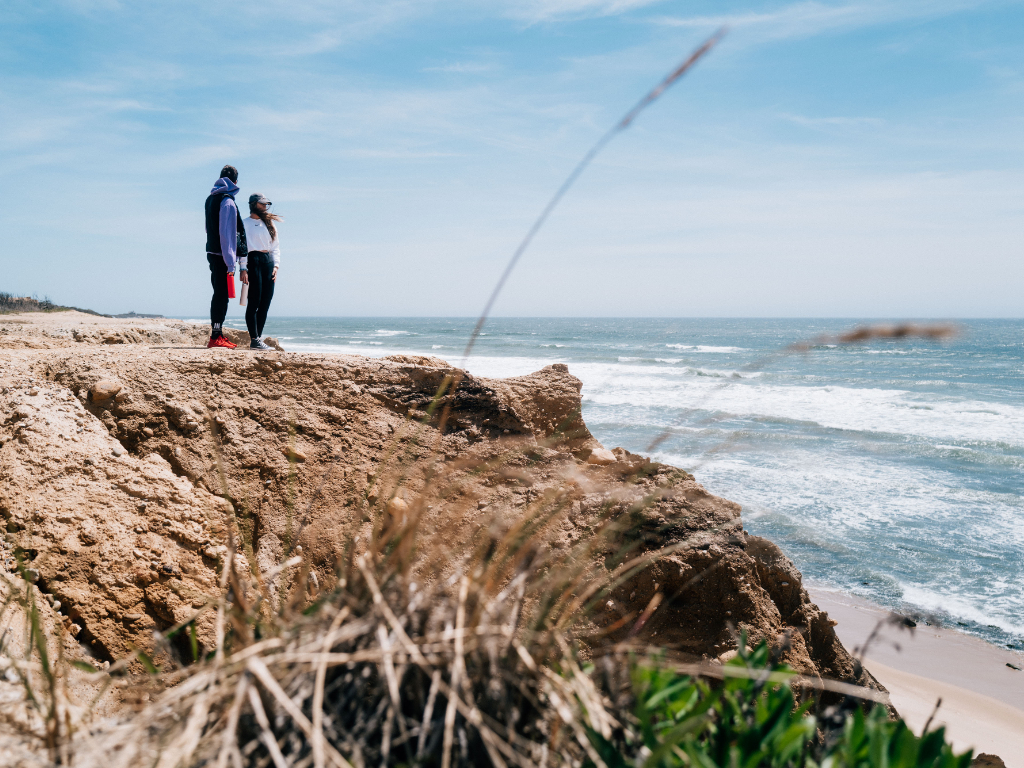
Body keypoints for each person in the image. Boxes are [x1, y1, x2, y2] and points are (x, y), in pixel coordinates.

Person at [204, 165, 247, 349]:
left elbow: (209, 229)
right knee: (222, 295)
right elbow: (227, 235)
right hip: (222, 255)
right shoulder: (227, 201)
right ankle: (215, 337)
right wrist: (231, 263)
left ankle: (218, 334)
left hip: (212, 252)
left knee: (219, 293)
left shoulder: (210, 199)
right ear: (235, 182)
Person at [240, 193, 281, 351]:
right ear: (253, 204)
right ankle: (254, 339)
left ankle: (258, 339)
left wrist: (276, 266)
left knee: (265, 302)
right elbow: (242, 249)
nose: (265, 207)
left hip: (268, 262)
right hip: (252, 261)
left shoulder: (269, 223)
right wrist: (243, 268)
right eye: (262, 204)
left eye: (266, 204)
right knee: (254, 302)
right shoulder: (244, 223)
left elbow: (275, 246)